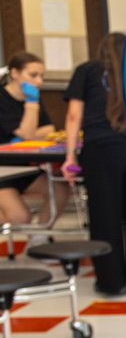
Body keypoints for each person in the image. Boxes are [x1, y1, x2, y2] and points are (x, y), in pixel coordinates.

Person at [63, 33, 126, 297]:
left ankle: (112, 282)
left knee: (105, 217)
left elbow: (74, 115)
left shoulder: (86, 71)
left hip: (101, 149)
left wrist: (70, 156)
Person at [0, 52, 66, 230]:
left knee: (60, 191)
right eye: (33, 75)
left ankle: (38, 237)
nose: (39, 82)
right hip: (3, 170)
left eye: (41, 76)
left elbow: (49, 130)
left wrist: (26, 136)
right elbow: (29, 133)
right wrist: (31, 104)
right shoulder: (4, 99)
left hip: (26, 168)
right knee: (20, 217)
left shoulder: (35, 100)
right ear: (14, 73)